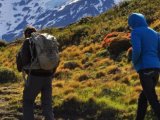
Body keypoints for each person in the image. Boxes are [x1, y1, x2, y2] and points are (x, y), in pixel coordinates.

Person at [16, 26, 59, 120]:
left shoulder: (28, 42)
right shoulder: (46, 41)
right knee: (47, 104)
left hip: (35, 76)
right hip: (48, 75)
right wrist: (51, 73)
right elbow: (56, 59)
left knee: (28, 101)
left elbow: (23, 62)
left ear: (26, 34)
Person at [128, 13, 160, 120]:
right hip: (156, 69)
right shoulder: (155, 33)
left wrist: (134, 61)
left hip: (145, 69)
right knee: (144, 96)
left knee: (152, 99)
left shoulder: (135, 32)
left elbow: (137, 50)